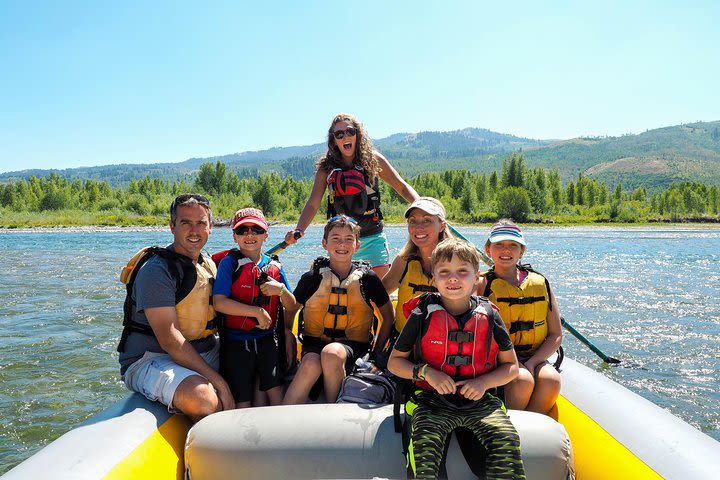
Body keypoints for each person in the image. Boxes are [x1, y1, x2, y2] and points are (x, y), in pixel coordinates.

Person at [388, 238, 526, 480]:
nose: (453, 278)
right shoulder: (422, 314)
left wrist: (483, 383)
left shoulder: (490, 315)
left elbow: (511, 367)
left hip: (479, 400)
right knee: (425, 448)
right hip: (430, 399)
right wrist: (426, 373)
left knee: (506, 439)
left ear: (477, 278)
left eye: (463, 271)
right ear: (434, 279)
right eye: (444, 272)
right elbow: (395, 363)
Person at [118, 194, 234, 421]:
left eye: (201, 223)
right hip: (152, 358)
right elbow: (170, 340)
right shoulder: (157, 271)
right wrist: (220, 382)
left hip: (205, 350)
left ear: (210, 226)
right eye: (185, 223)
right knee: (203, 398)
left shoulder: (207, 263)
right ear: (172, 226)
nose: (194, 231)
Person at [284, 112, 419, 277]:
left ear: (357, 134)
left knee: (380, 290)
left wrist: (425, 207)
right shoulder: (326, 168)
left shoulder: (373, 160)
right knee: (344, 290)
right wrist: (299, 229)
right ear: (334, 139)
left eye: (350, 131)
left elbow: (402, 187)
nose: (345, 136)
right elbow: (313, 203)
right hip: (342, 242)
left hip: (373, 237)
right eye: (339, 134)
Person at [283, 215, 395, 404]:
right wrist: (289, 338)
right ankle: (283, 416)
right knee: (310, 363)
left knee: (332, 353)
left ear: (357, 245)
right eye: (335, 239)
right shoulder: (312, 278)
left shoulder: (368, 279)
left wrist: (376, 356)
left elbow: (387, 316)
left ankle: (332, 408)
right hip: (314, 345)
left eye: (348, 239)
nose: (342, 244)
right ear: (324, 243)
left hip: (354, 349)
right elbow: (290, 310)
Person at [212, 207, 297, 408]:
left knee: (276, 394)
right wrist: (256, 312)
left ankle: (279, 435)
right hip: (235, 345)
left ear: (265, 235)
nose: (249, 235)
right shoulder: (228, 264)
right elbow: (219, 302)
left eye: (256, 230)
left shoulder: (275, 267)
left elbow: (292, 306)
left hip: (267, 342)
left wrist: (281, 290)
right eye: (243, 230)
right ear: (235, 237)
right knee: (243, 402)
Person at [479, 219, 562, 414]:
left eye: (512, 245)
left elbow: (556, 335)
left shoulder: (540, 282)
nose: (505, 250)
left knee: (551, 379)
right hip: (500, 360)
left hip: (534, 356)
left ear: (522, 250)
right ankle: (511, 429)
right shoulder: (481, 284)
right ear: (488, 249)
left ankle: (535, 428)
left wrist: (533, 362)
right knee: (522, 380)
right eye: (498, 244)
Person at [382, 197, 451, 336]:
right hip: (403, 343)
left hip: (443, 345)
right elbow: (378, 296)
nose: (419, 227)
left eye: (427, 220)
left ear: (442, 225)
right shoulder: (403, 261)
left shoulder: (457, 261)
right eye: (413, 221)